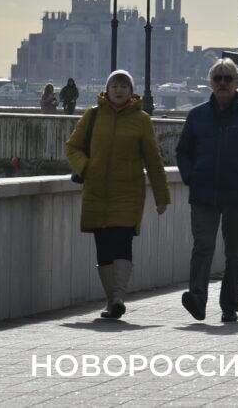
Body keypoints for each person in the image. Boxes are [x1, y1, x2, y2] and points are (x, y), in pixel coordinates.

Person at [176, 58, 238, 323]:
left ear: (237, 83)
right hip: (203, 194)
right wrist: (190, 177)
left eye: (227, 78)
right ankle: (197, 299)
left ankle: (229, 306)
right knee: (203, 246)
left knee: (235, 253)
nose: (222, 83)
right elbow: (183, 151)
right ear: (211, 82)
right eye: (217, 78)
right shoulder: (197, 116)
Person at [66, 70, 170, 319]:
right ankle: (112, 301)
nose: (119, 89)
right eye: (115, 85)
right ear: (107, 89)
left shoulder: (141, 120)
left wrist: (161, 196)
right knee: (103, 246)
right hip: (97, 193)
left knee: (122, 241)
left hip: (128, 193)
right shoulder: (92, 116)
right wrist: (86, 167)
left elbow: (153, 160)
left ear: (131, 91)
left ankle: (119, 296)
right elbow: (73, 147)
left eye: (124, 86)